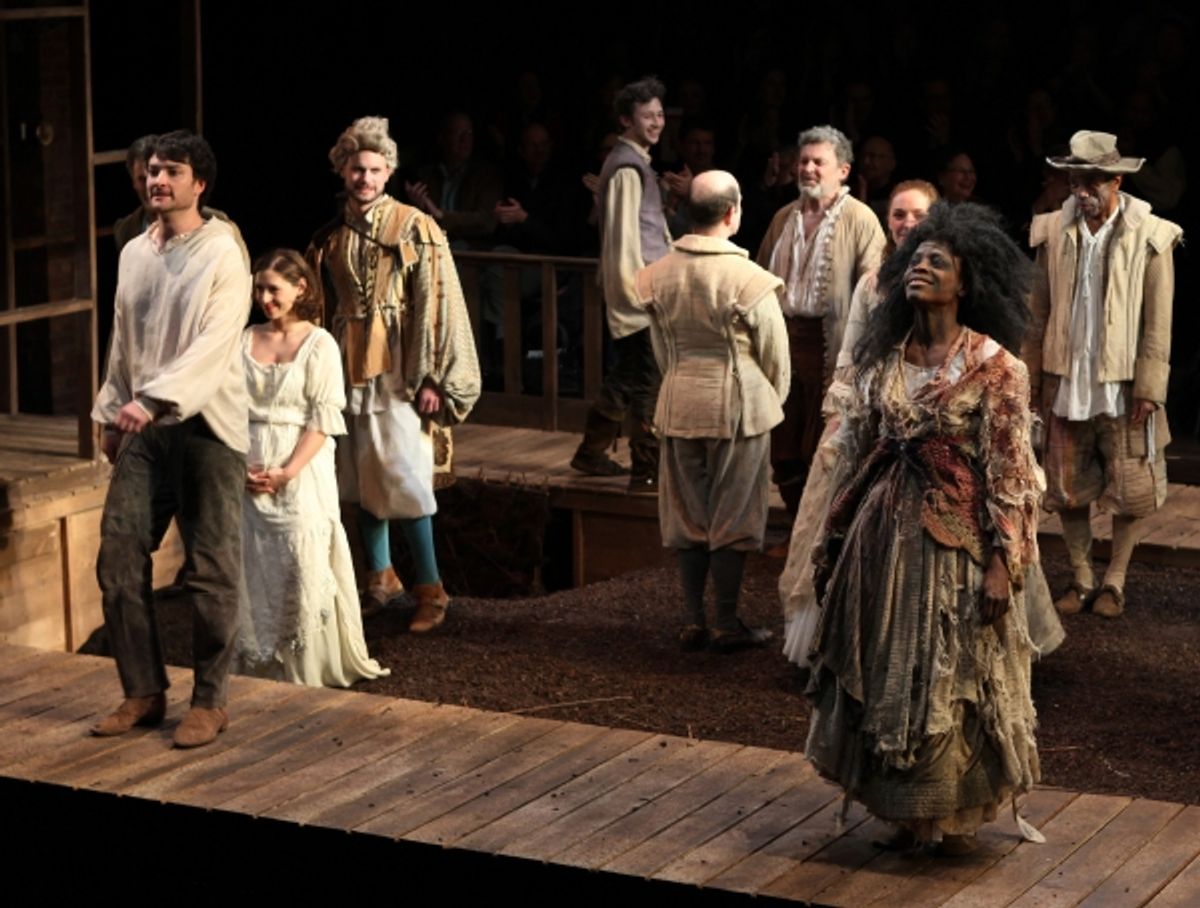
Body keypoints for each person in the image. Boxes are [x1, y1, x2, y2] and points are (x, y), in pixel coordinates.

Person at [806, 203, 1043, 854]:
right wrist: (836, 531)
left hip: (953, 541)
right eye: (914, 258)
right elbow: (860, 447)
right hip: (882, 538)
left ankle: (950, 811)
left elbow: (1012, 471)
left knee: (950, 674)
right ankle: (902, 810)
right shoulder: (886, 360)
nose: (921, 266)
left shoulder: (996, 367)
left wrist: (1003, 561)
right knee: (888, 671)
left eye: (938, 260)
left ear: (965, 282)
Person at [91, 130, 250, 748]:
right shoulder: (135, 251)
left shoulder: (223, 252)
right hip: (142, 429)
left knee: (210, 572)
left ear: (199, 184)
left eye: (173, 172)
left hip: (205, 429)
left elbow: (215, 344)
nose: (158, 180)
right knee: (118, 558)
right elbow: (124, 338)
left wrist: (152, 400)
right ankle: (143, 690)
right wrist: (112, 410)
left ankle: (210, 700)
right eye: (153, 171)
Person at [308, 116, 481, 632]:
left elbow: (437, 300)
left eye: (375, 169)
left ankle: (431, 588)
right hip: (347, 362)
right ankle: (380, 576)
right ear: (343, 171)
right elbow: (320, 303)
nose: (364, 178)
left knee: (403, 473)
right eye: (356, 168)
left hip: (400, 366)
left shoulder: (414, 226)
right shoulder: (331, 236)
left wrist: (432, 377)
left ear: (388, 173)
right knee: (360, 472)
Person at [778, 180, 939, 667]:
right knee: (840, 517)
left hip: (928, 414)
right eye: (897, 215)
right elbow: (851, 354)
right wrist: (838, 416)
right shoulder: (875, 282)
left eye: (916, 215)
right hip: (872, 415)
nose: (906, 224)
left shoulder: (949, 275)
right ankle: (845, 643)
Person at [1026, 130, 1181, 619]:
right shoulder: (1052, 230)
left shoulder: (1150, 235)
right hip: (1065, 377)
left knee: (1132, 486)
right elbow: (1038, 311)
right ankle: (1081, 576)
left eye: (1091, 180)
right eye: (1075, 179)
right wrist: (1030, 377)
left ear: (1116, 179)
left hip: (1122, 384)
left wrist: (1151, 386)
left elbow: (1159, 318)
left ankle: (1114, 579)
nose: (1081, 189)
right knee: (1067, 483)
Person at [633, 171, 788, 652]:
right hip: (738, 406)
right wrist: (768, 400)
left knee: (687, 513)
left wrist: (679, 384)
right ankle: (723, 620)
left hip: (680, 402)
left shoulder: (657, 274)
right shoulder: (749, 280)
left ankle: (694, 618)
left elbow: (661, 350)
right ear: (732, 212)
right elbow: (774, 356)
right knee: (733, 515)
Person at [236, 250, 389, 687]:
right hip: (249, 459)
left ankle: (306, 662)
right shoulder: (246, 338)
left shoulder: (318, 343)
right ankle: (259, 660)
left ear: (300, 289)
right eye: (259, 289)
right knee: (254, 560)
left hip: (299, 464)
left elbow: (323, 418)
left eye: (273, 289)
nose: (265, 298)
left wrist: (287, 472)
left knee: (300, 556)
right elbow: (228, 405)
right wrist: (243, 464)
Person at [757, 125, 885, 517]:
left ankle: (820, 536)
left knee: (823, 447)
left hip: (831, 346)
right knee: (785, 447)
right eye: (804, 161)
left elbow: (873, 290)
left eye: (818, 162)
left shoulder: (860, 219)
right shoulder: (783, 218)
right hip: (784, 345)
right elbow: (760, 276)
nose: (808, 169)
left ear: (843, 170)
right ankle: (795, 530)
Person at [570, 76, 673, 492]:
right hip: (639, 291)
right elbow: (623, 239)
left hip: (641, 287)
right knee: (648, 378)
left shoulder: (632, 162)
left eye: (660, 114)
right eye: (647, 115)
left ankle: (591, 452)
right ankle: (646, 469)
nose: (656, 122)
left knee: (630, 373)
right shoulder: (628, 166)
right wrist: (638, 293)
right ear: (625, 120)